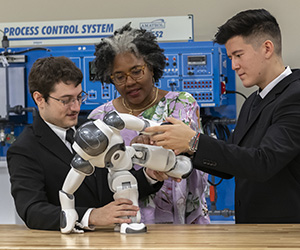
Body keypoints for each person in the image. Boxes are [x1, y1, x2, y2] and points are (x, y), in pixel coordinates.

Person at [145, 9, 300, 223]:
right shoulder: (253, 102)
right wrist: (181, 149)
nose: (234, 65)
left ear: (267, 48)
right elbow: (231, 165)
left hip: (287, 233)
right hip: (255, 230)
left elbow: (263, 163)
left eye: (239, 55)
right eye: (230, 57)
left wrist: (193, 141)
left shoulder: (295, 96)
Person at [7, 56, 163, 231]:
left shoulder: (94, 127)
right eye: (66, 100)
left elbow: (115, 185)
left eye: (79, 97)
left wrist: (150, 176)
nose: (75, 107)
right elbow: (33, 211)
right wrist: (91, 215)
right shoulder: (24, 149)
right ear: (39, 99)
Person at [88, 23, 210, 224]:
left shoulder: (181, 104)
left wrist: (154, 143)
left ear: (152, 67)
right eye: (119, 76)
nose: (129, 82)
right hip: (124, 226)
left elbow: (187, 157)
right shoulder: (100, 118)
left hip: (183, 226)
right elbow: (99, 186)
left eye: (136, 71)